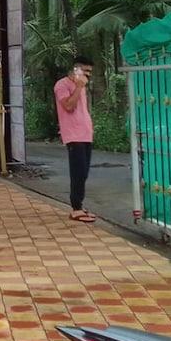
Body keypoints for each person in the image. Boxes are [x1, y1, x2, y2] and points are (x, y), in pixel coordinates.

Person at [54, 55, 96, 223]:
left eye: (90, 72)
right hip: (73, 134)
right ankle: (76, 207)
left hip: (86, 133)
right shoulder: (62, 85)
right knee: (77, 171)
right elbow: (69, 106)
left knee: (84, 172)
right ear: (75, 69)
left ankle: (80, 204)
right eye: (85, 71)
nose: (88, 75)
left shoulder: (82, 87)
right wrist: (78, 87)